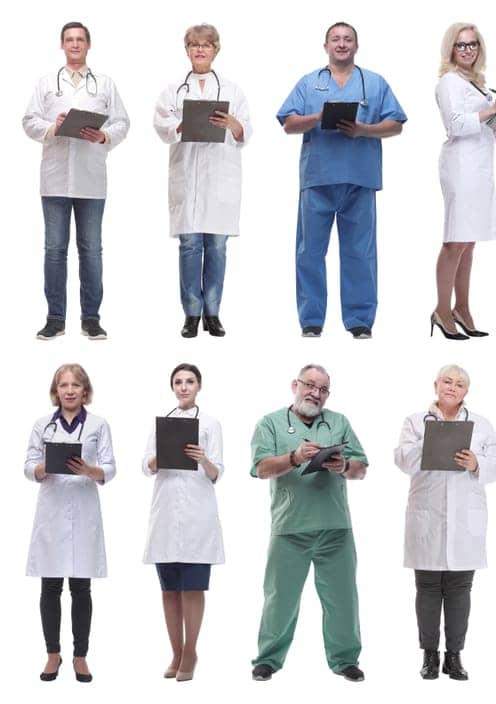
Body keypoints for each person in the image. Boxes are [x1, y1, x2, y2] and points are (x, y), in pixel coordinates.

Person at [277, 22, 406, 339]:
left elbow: (396, 124)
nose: (342, 43)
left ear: (356, 46)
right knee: (309, 252)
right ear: (326, 46)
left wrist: (364, 130)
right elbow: (288, 123)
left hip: (359, 179)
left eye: (348, 39)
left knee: (360, 253)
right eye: (335, 39)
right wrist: (318, 118)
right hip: (318, 178)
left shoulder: (374, 83)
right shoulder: (310, 84)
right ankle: (311, 320)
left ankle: (360, 320)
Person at [248, 364, 370, 682]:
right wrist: (295, 457)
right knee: (279, 599)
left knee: (343, 599)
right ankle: (267, 660)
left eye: (323, 389)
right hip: (290, 528)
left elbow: (361, 468)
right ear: (295, 385)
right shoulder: (270, 423)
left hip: (335, 528)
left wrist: (343, 465)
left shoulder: (339, 422)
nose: (316, 393)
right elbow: (261, 468)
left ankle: (345, 660)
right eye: (310, 385)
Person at [393, 364, 496, 681]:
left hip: (465, 521)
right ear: (435, 385)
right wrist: (429, 445)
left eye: (459, 384)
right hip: (426, 517)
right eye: (447, 381)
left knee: (459, 590)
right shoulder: (416, 422)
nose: (452, 387)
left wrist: (476, 463)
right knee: (427, 588)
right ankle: (430, 656)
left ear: (466, 392)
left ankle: (454, 657)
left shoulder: (481, 424)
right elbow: (402, 459)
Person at [23, 22, 129, 341]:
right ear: (61, 45)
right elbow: (28, 122)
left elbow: (123, 122)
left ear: (88, 45)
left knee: (91, 250)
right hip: (54, 181)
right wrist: (53, 127)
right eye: (69, 39)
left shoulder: (105, 84)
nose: (74, 44)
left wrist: (104, 135)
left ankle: (91, 319)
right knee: (55, 250)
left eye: (80, 39)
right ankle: (55, 318)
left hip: (91, 180)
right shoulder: (46, 84)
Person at [153, 24, 251, 339]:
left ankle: (213, 313)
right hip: (187, 176)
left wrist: (235, 124)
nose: (200, 50)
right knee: (190, 246)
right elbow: (161, 124)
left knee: (218, 247)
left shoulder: (233, 91)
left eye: (206, 45)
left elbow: (244, 132)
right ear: (187, 51)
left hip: (220, 180)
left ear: (215, 50)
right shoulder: (174, 91)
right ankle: (191, 314)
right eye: (194, 45)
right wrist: (181, 125)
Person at [26, 363, 115, 682]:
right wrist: (40, 469)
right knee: (50, 586)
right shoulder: (42, 425)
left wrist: (90, 471)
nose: (69, 390)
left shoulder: (98, 425)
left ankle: (80, 656)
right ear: (56, 390)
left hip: (83, 509)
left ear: (85, 390)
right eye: (63, 385)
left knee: (81, 586)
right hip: (51, 512)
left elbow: (110, 466)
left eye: (75, 385)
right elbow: (28, 464)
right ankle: (53, 654)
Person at [141, 363, 225, 681]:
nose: (184, 387)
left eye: (190, 381)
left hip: (197, 517)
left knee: (192, 587)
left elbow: (217, 471)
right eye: (178, 382)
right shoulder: (161, 423)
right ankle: (175, 652)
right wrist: (159, 457)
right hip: (164, 516)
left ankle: (191, 652)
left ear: (199, 385)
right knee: (169, 589)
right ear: (172, 387)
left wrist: (202, 458)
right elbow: (145, 465)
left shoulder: (210, 423)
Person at [433, 22, 496, 340]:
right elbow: (454, 125)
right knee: (455, 240)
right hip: (461, 167)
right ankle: (441, 310)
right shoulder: (449, 82)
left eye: (473, 44)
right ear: (451, 49)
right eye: (461, 45)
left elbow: (485, 124)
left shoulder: (477, 82)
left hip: (480, 166)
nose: (467, 50)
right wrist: (490, 111)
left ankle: (462, 307)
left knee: (469, 241)